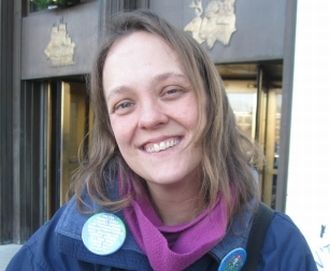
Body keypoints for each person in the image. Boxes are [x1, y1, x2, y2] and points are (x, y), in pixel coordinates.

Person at [7, 10, 317, 271]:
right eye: (124, 104)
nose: (150, 118)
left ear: (210, 102)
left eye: (171, 91)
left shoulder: (278, 248)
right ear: (111, 129)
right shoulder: (69, 238)